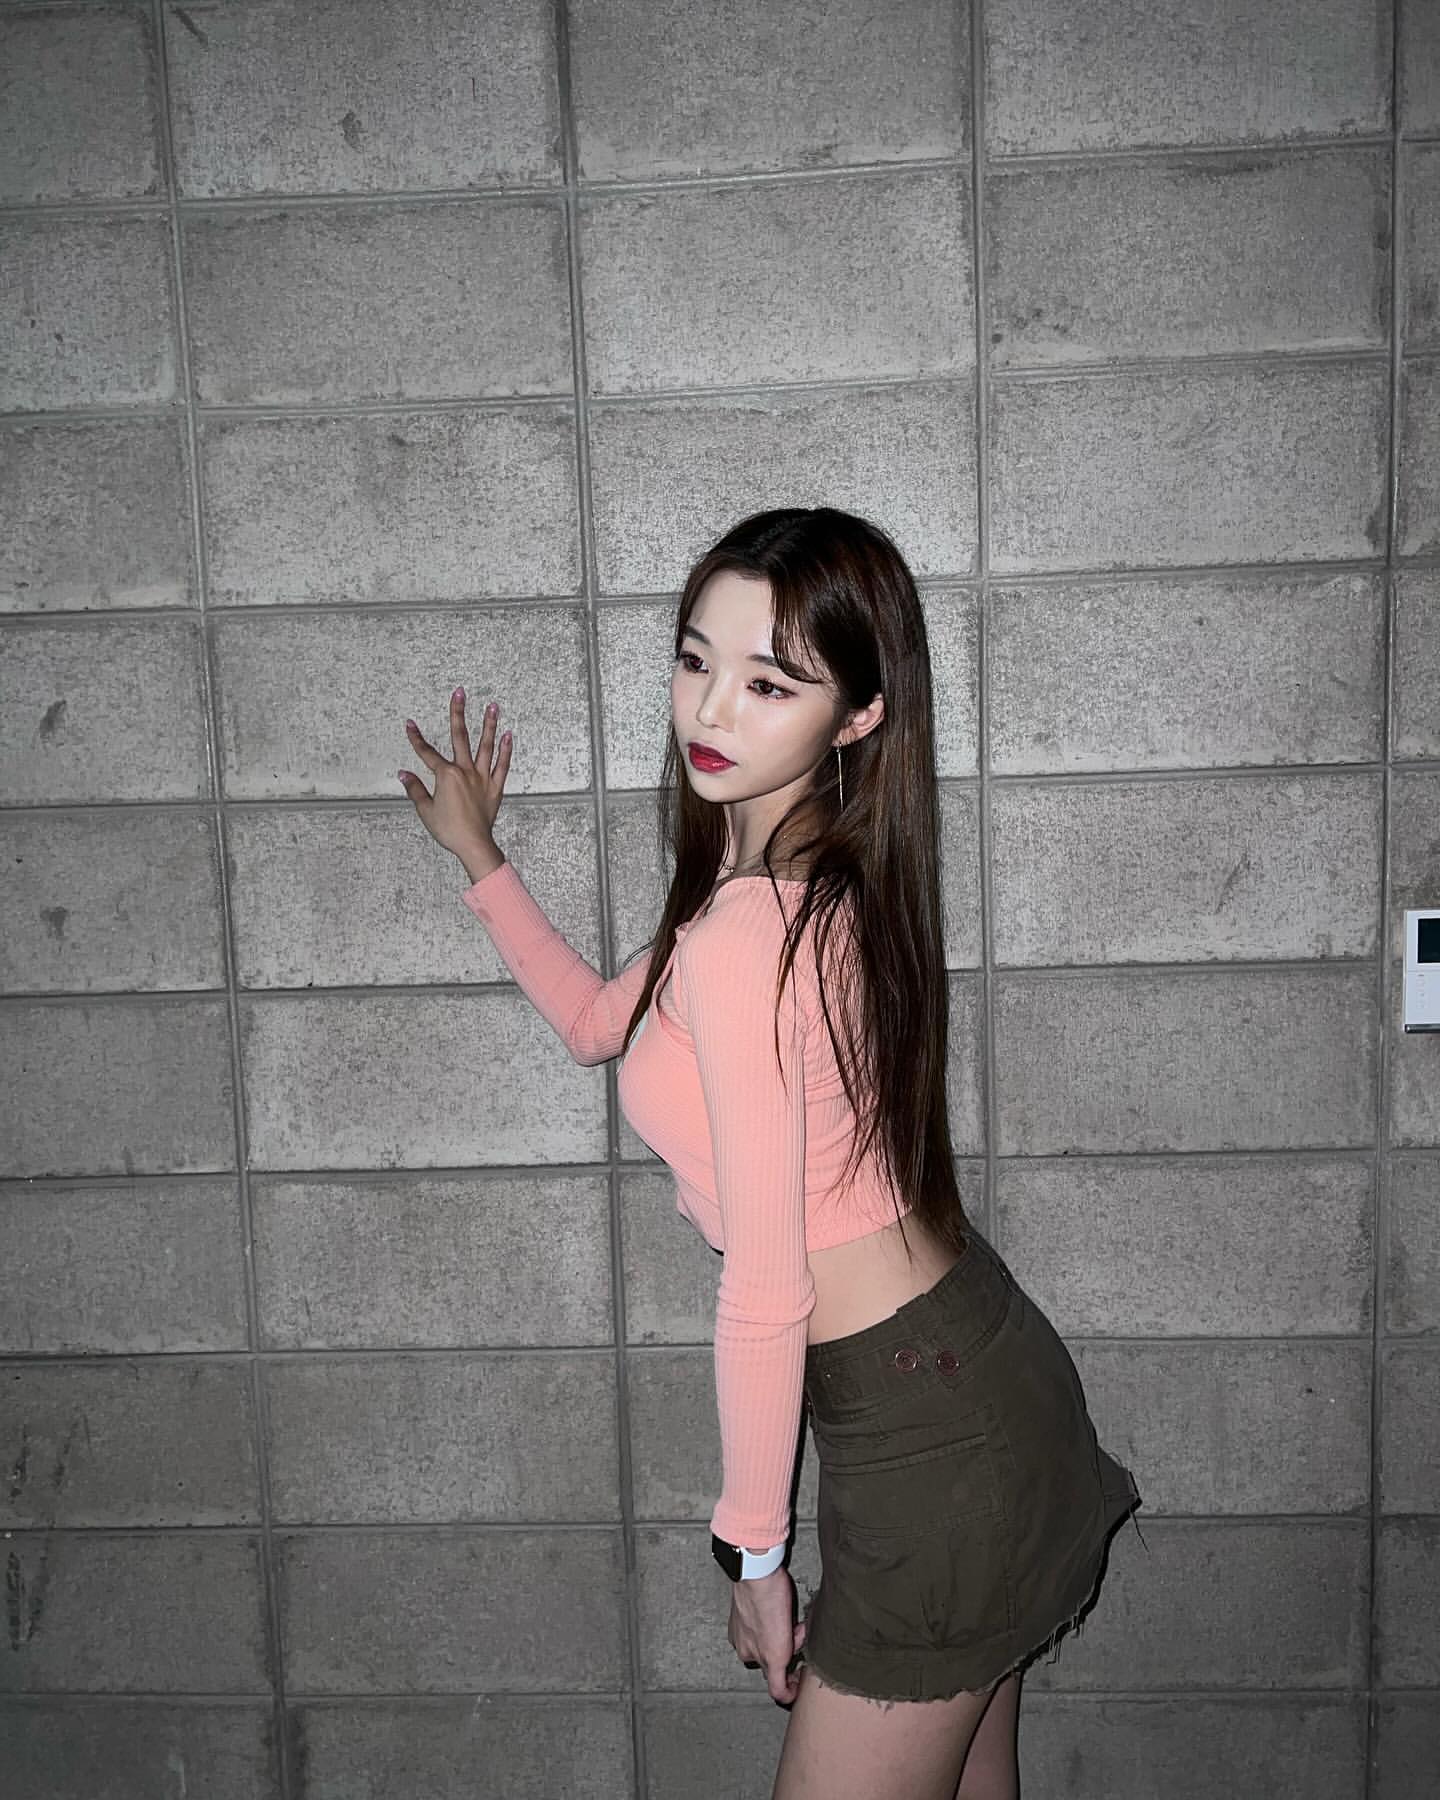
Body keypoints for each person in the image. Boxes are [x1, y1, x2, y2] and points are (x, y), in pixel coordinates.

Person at [399, 507, 1142, 1800]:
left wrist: (752, 1554)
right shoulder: (797, 887)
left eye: (769, 682)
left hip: (927, 1428)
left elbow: (765, 1284)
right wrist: (481, 857)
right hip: (970, 1376)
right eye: (696, 660)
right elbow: (597, 1024)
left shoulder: (753, 929)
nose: (712, 709)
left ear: (859, 715)